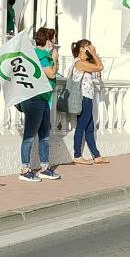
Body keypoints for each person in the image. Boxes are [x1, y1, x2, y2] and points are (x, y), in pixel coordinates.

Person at [19, 27, 60, 182]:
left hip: (43, 98)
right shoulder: (41, 55)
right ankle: (24, 169)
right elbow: (51, 73)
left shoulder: (39, 54)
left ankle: (44, 167)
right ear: (48, 40)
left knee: (44, 134)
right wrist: (55, 58)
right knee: (30, 135)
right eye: (53, 38)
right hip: (34, 98)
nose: (54, 42)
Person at [70, 39, 109, 165]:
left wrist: (93, 55)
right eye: (87, 46)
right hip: (83, 98)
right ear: (81, 49)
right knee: (81, 126)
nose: (90, 48)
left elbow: (98, 70)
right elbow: (100, 67)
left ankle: (96, 155)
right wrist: (94, 53)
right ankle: (77, 155)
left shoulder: (85, 62)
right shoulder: (79, 63)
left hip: (88, 97)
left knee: (90, 128)